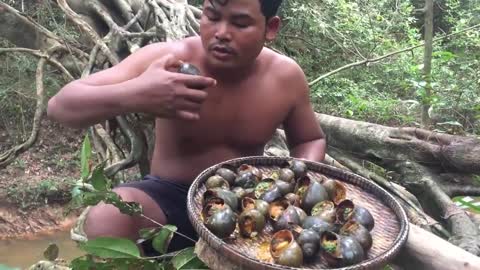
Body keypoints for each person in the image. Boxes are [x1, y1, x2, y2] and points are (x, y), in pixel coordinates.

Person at [47, 0, 326, 252]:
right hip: (169, 197)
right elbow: (61, 107)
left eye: (240, 23)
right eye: (212, 16)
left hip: (248, 204)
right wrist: (136, 92)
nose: (221, 32)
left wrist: (296, 188)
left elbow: (309, 139)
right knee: (109, 215)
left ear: (271, 27)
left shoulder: (286, 77)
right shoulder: (169, 59)